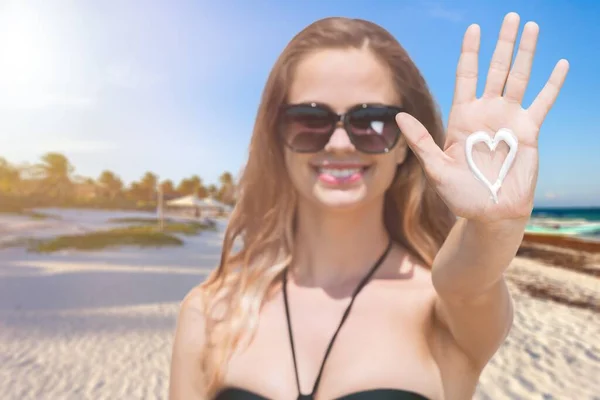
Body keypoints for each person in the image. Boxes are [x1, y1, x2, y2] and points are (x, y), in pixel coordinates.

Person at [169, 12, 569, 400]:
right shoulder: (210, 310)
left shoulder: (439, 307)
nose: (339, 144)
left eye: (372, 122)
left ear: (404, 145)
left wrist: (492, 224)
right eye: (310, 120)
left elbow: (468, 285)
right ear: (277, 136)